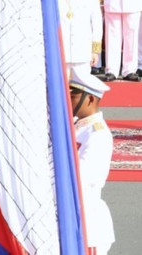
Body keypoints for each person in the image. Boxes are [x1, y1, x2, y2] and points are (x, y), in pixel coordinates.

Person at [68, 67, 114, 255]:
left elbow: (82, 179)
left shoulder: (98, 135)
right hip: (73, 217)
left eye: (74, 96)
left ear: (90, 99)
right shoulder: (78, 126)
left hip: (88, 225)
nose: (68, 100)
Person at [57, 0, 102, 80]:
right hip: (61, 51)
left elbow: (97, 22)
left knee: (81, 91)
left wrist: (95, 51)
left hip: (82, 50)